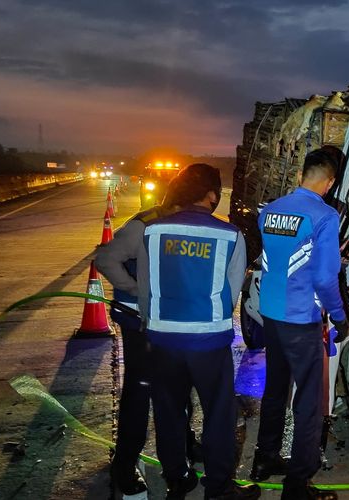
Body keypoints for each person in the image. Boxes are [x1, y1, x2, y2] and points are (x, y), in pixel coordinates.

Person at [99, 164, 260, 500]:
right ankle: (219, 488)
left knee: (169, 411)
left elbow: (146, 285)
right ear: (212, 195)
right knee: (218, 413)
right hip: (208, 340)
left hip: (162, 339)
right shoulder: (230, 235)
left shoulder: (152, 230)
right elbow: (231, 294)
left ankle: (177, 481)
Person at [251, 148, 349, 500]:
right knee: (308, 401)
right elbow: (326, 278)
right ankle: (297, 485)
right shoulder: (324, 215)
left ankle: (264, 460)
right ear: (330, 182)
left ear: (300, 175)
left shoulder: (271, 210)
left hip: (271, 314)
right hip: (300, 319)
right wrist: (340, 317)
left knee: (275, 389)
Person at [96, 185, 202, 497]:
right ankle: (124, 465)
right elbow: (105, 259)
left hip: (166, 321)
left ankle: (185, 444)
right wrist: (135, 291)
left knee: (179, 387)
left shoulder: (175, 224)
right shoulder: (143, 226)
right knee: (139, 392)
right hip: (138, 322)